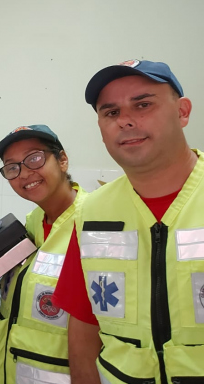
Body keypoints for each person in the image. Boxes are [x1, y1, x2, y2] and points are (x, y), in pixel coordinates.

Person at [52, 60, 204, 383]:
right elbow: (83, 329)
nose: (125, 121)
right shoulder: (93, 213)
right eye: (111, 113)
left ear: (182, 112)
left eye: (143, 105)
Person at [0, 125, 86, 384]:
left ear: (62, 160)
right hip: (1, 369)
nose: (24, 173)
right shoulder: (33, 222)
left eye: (34, 158)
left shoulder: (93, 225)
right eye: (12, 167)